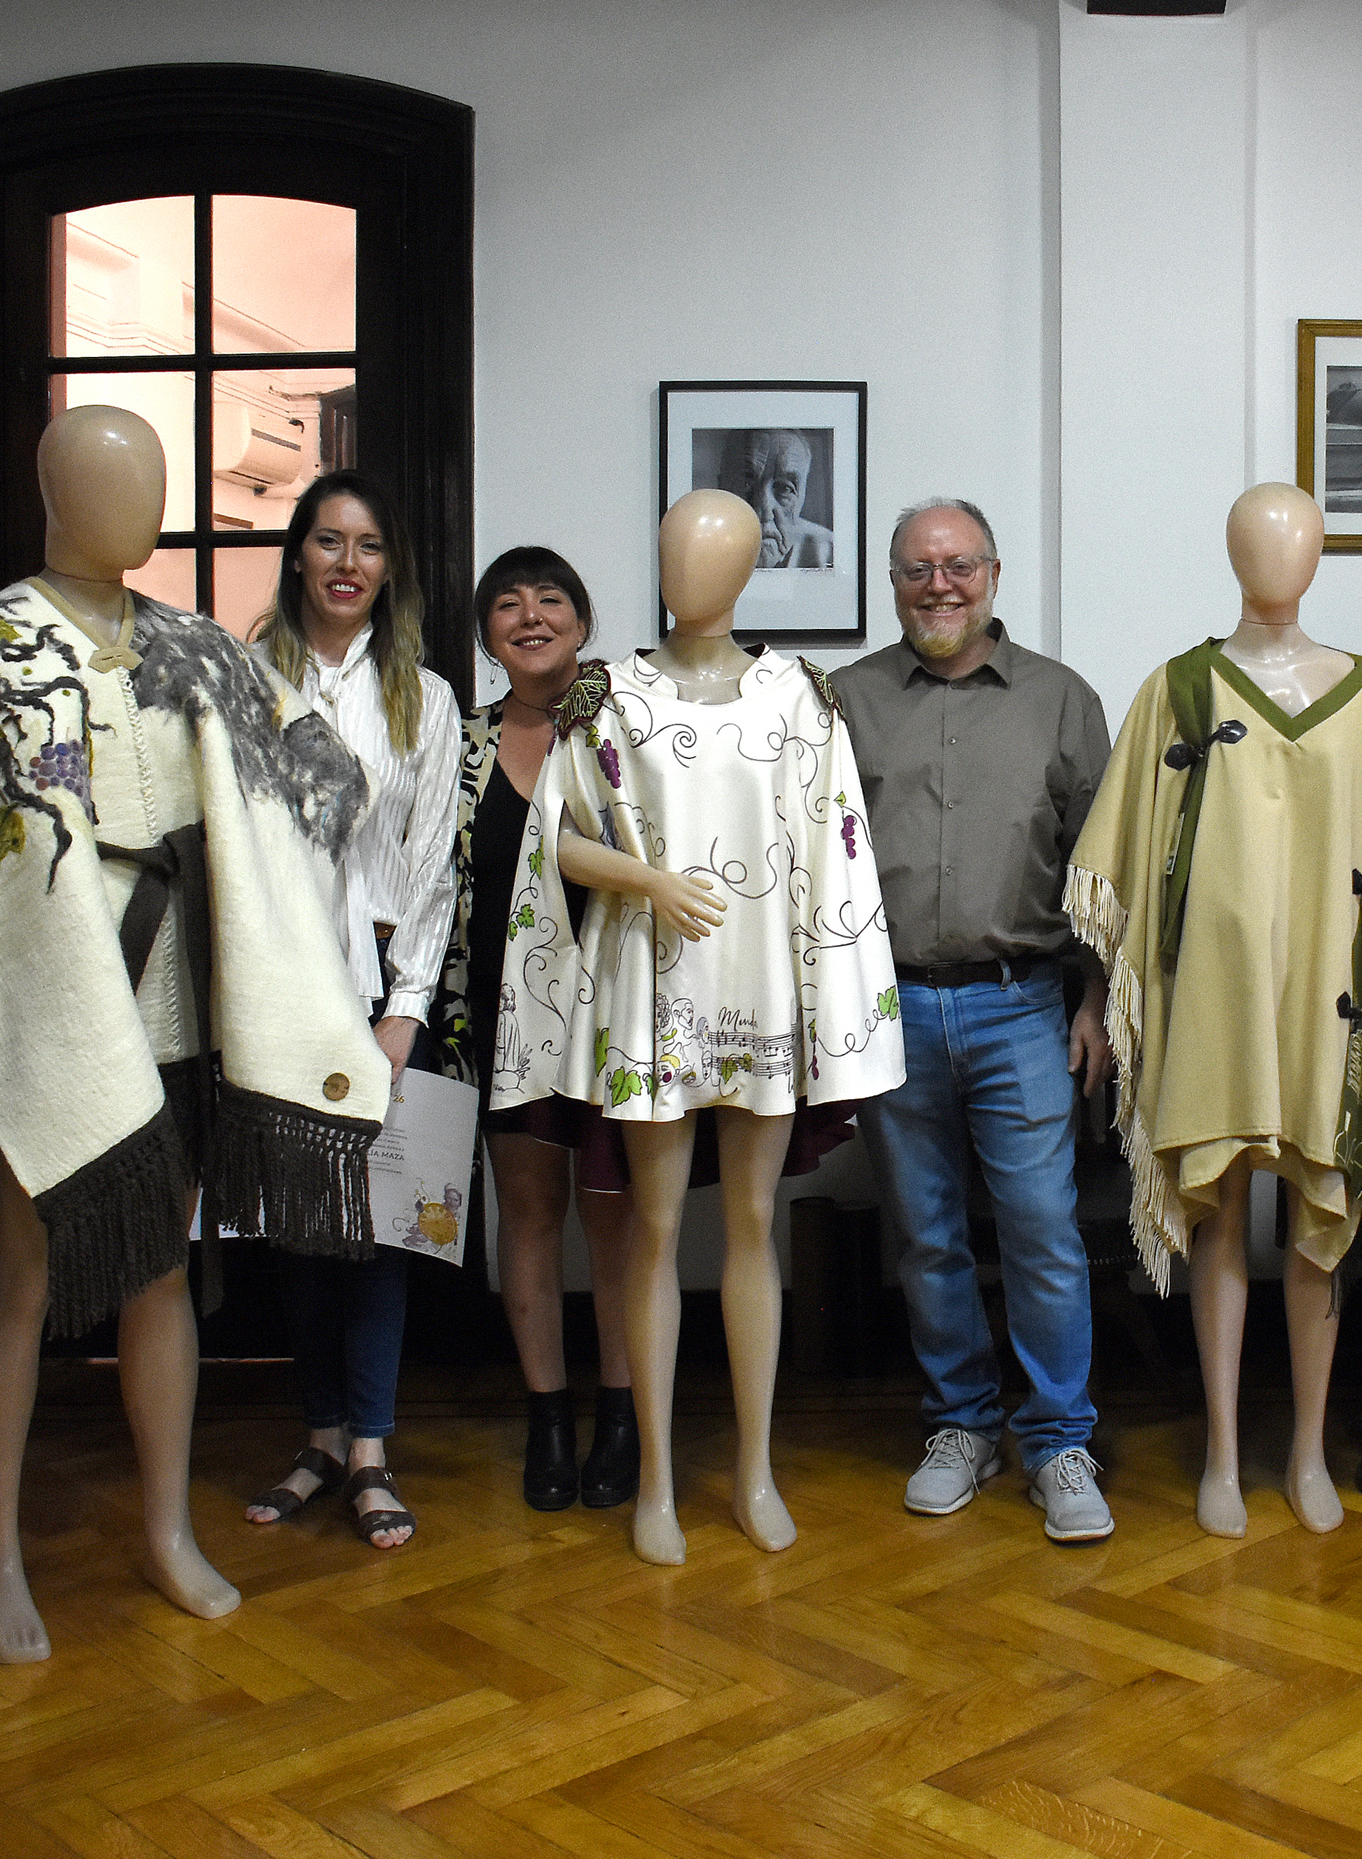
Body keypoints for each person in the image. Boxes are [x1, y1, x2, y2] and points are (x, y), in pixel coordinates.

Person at [0, 405, 383, 1660]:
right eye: (109, 479)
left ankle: (165, 1527)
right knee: (23, 1277)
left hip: (177, 995)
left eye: (148, 480)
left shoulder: (196, 648)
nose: (135, 503)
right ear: (52, 491)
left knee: (160, 1272)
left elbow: (310, 778)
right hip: (51, 998)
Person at [495, 489, 904, 1565]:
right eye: (675, 549)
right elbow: (557, 840)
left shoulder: (798, 696)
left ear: (748, 567)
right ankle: (657, 1484)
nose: (689, 569)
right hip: (650, 988)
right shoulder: (607, 695)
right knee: (655, 1229)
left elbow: (835, 849)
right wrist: (647, 879)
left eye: (712, 552)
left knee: (755, 1223)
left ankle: (756, 1469)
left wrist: (832, 1003)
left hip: (761, 985)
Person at [1069, 482, 1362, 1538]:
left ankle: (1307, 1450)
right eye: (1258, 539)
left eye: (1296, 539)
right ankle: (1223, 1454)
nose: (1278, 556)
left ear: (1319, 554)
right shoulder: (1178, 687)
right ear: (1231, 553)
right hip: (1217, 988)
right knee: (1219, 1210)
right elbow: (1124, 855)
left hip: (1330, 992)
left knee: (1321, 1216)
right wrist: (1107, 994)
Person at [836, 497, 1119, 1541]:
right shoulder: (847, 700)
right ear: (893, 583)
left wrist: (1096, 1001)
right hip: (890, 1007)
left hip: (1022, 1006)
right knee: (926, 1236)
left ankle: (1058, 1440)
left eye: (958, 565)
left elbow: (1099, 868)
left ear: (993, 575)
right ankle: (959, 1424)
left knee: (1043, 1229)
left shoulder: (1060, 699)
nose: (939, 585)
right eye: (917, 569)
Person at [243, 471, 464, 1551]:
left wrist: (406, 1006)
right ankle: (320, 1437)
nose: (346, 562)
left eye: (368, 545)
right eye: (328, 540)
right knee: (298, 1223)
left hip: (380, 985)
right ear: (298, 554)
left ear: (389, 567)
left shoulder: (423, 696)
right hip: (271, 983)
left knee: (379, 1224)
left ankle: (372, 1449)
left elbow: (430, 868)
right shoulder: (245, 681)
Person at [437, 546, 639, 1513]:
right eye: (507, 604)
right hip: (500, 1016)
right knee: (527, 1214)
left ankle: (622, 1417)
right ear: (487, 635)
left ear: (583, 621)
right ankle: (548, 1419)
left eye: (550, 599)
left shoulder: (629, 725)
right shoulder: (461, 744)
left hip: (614, 1015)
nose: (530, 616)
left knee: (614, 1216)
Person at [717, 428, 836, 568]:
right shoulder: (698, 549)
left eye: (785, 488)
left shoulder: (830, 552)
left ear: (802, 497)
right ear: (721, 488)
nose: (765, 512)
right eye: (745, 483)